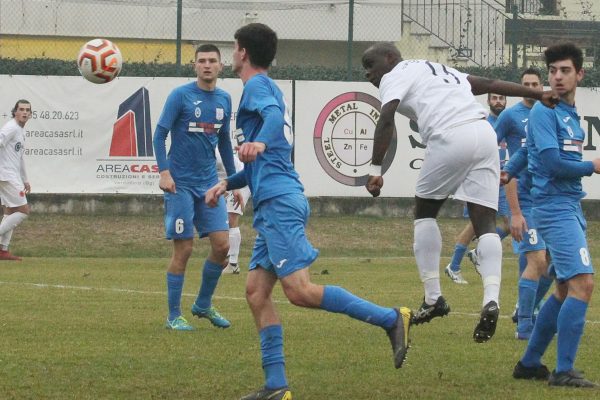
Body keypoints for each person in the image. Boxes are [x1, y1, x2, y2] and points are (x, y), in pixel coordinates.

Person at [205, 23, 412, 400]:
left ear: (243, 53)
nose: (231, 54)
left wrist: (259, 143)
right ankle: (276, 386)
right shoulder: (260, 89)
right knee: (255, 292)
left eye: (233, 48)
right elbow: (256, 163)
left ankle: (391, 318)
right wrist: (227, 183)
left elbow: (268, 126)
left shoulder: (257, 87)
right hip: (271, 202)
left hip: (281, 202)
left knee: (299, 291)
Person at [361, 42, 558, 343]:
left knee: (425, 212)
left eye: (370, 65)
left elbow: (386, 117)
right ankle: (491, 299)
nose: (368, 74)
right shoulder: (438, 69)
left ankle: (433, 298)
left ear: (389, 59)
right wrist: (537, 93)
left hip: (451, 135)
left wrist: (375, 171)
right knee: (485, 220)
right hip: (483, 135)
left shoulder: (395, 73)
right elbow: (489, 84)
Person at [511, 43, 599, 387]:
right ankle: (563, 371)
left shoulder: (566, 113)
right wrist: (591, 166)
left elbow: (527, 151)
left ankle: (530, 362)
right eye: (553, 72)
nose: (557, 77)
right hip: (555, 208)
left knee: (564, 288)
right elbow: (551, 163)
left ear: (580, 74)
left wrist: (509, 171)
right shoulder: (545, 112)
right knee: (583, 284)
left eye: (564, 71)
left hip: (569, 206)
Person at [153, 44, 238, 331]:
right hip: (180, 185)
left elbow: (225, 141)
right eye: (201, 61)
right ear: (195, 66)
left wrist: (234, 180)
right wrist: (164, 172)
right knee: (185, 249)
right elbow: (159, 134)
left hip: (209, 184)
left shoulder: (225, 99)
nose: (207, 65)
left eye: (212, 61)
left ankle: (202, 304)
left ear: (220, 66)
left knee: (223, 246)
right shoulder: (181, 95)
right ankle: (173, 315)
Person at [495, 68, 553, 340]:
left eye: (534, 84)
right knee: (536, 259)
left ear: (541, 86)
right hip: (523, 195)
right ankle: (525, 324)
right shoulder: (510, 115)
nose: (530, 88)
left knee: (552, 265)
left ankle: (523, 308)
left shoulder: (548, 112)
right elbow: (491, 143)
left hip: (548, 198)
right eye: (525, 84)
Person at [445, 93, 510, 284]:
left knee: (509, 224)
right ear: (488, 101)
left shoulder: (508, 121)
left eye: (502, 98)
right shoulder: (483, 123)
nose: (498, 101)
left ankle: (478, 252)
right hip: (483, 178)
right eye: (495, 98)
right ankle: (453, 266)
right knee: (476, 224)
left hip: (502, 180)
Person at [0, 99, 32, 261]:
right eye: (21, 109)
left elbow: (19, 158)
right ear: (15, 112)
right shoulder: (11, 127)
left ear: (30, 114)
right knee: (23, 210)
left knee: (10, 211)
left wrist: (25, 179)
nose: (24, 112)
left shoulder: (19, 130)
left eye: (27, 110)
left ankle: (3, 250)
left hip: (10, 175)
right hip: (6, 175)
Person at [215, 149, 251, 274]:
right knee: (219, 223)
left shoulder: (217, 154)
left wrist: (231, 189)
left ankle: (233, 264)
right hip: (226, 183)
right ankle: (224, 261)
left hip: (240, 180)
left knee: (231, 219)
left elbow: (233, 171)